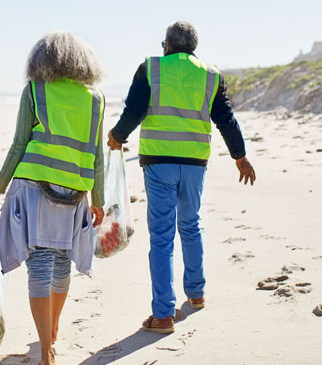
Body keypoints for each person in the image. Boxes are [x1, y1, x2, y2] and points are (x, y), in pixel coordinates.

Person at [107, 21, 256, 334]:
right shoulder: (210, 75)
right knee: (190, 225)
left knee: (162, 236)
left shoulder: (151, 68)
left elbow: (133, 111)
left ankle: (163, 315)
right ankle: (197, 293)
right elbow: (226, 119)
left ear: (168, 45)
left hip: (159, 162)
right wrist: (239, 157)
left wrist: (117, 137)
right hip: (193, 163)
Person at [0, 31, 106, 365]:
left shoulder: (35, 91)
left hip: (34, 185)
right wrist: (99, 199)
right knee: (62, 264)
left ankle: (47, 352)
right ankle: (50, 334)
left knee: (39, 267)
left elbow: (20, 142)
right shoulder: (95, 98)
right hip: (75, 189)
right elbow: (97, 156)